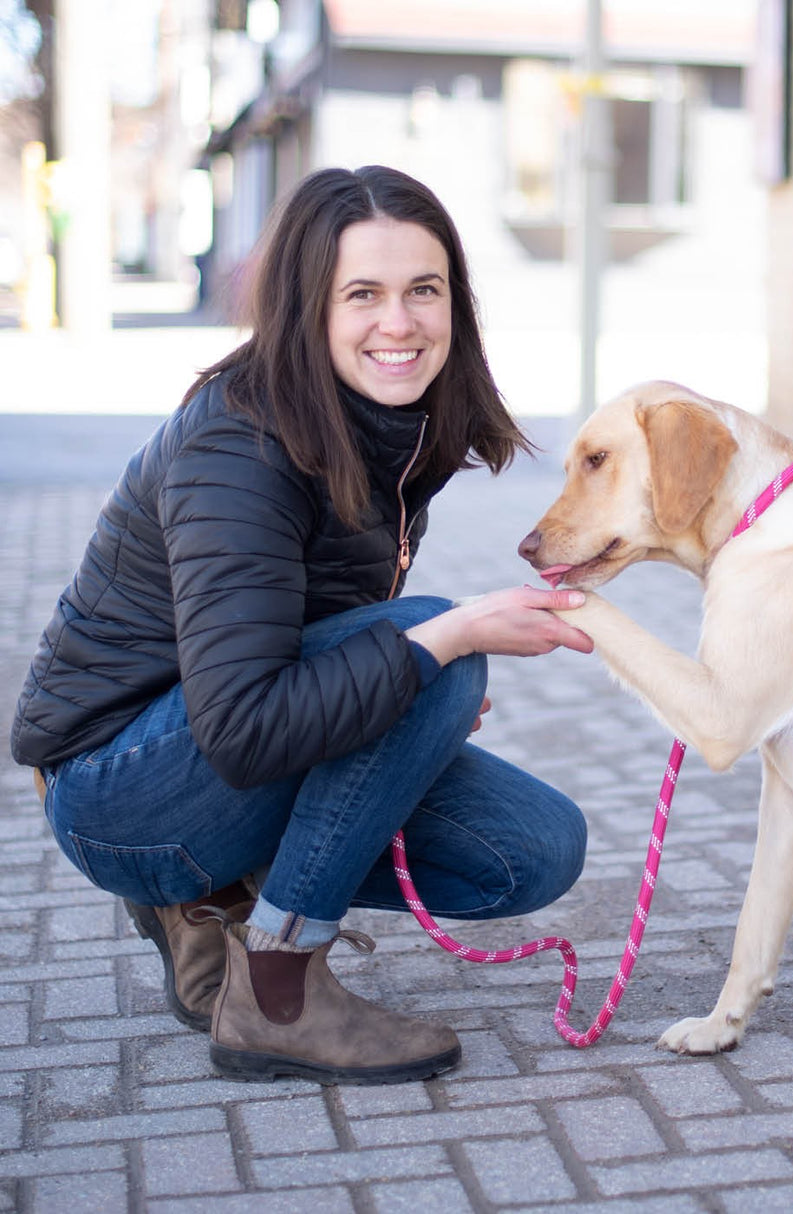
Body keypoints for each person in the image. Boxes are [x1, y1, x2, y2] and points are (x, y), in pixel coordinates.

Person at [9, 165, 594, 1085]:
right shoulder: (236, 444)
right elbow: (246, 732)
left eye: (423, 291)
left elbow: (324, 642)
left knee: (530, 852)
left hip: (214, 737)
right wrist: (432, 651)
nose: (398, 324)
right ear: (306, 306)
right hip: (115, 786)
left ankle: (222, 894)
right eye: (362, 294)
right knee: (437, 638)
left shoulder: (396, 426)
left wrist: (409, 697)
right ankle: (276, 988)